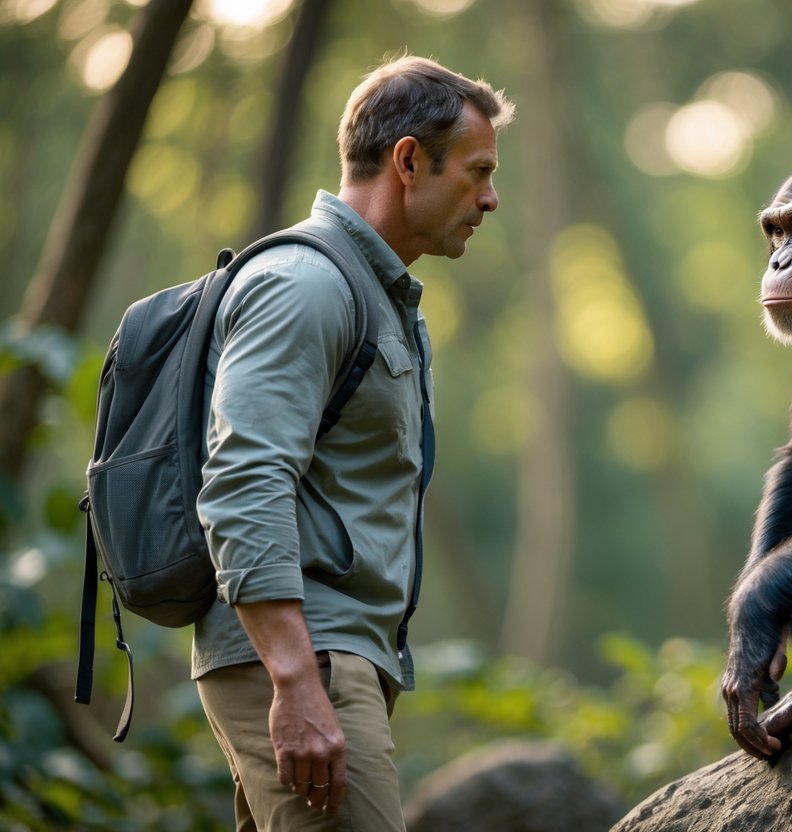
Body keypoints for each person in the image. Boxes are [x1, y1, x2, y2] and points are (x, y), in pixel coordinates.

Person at [192, 54, 514, 830]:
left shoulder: (378, 294)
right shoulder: (306, 284)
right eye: (476, 172)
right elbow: (243, 477)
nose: (491, 198)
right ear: (409, 160)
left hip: (333, 655)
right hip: (306, 652)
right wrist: (299, 682)